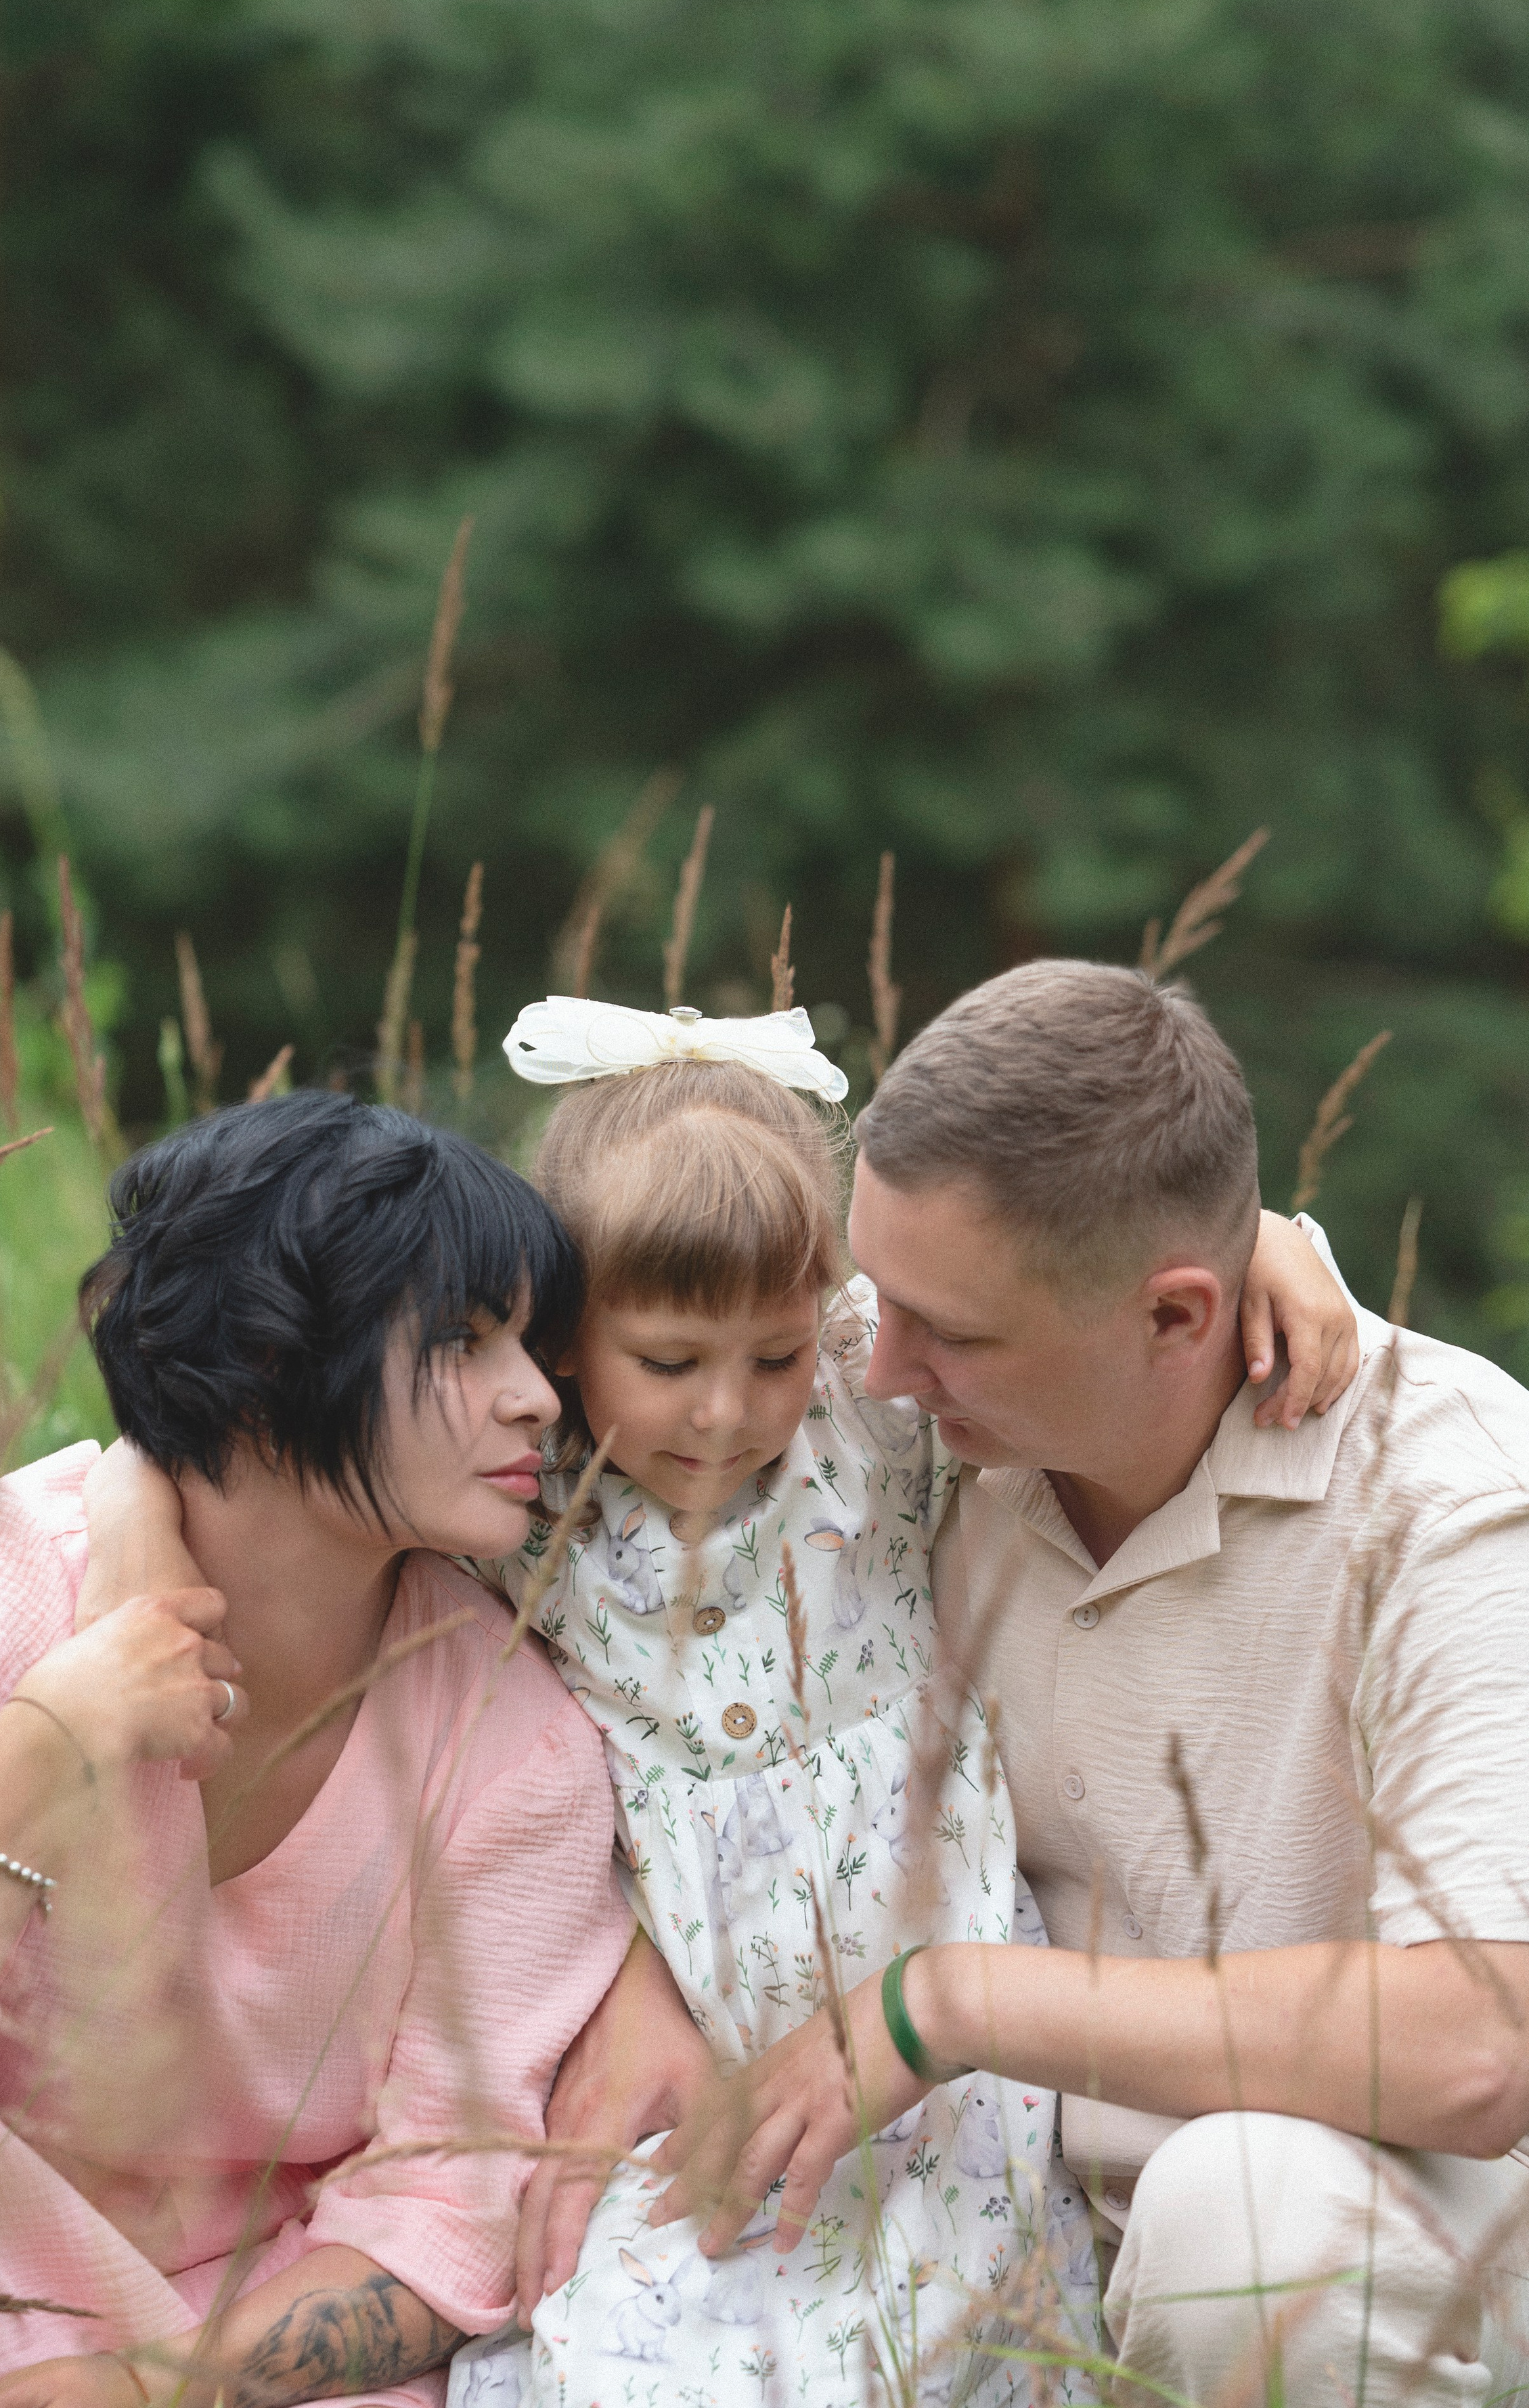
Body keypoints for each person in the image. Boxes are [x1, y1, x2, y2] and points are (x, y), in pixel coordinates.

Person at [85, 999, 1358, 2407]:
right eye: (670, 1364)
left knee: (950, 2351)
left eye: (771, 1353)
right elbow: (255, 1433)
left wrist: (1273, 1247)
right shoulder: (529, 1487)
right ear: (563, 1343)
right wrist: (131, 1513)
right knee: (636, 2343)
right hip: (681, 2015)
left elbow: (1084, 1271)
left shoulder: (867, 1417)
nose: (722, 1413)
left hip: (930, 2030)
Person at [642, 961, 1529, 2407]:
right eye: (874, 1298)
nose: (875, 1370)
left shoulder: (1450, 1506)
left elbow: (1477, 2049)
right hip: (1000, 2256)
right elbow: (498, 1375)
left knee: (1242, 2225)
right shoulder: (934, 1423)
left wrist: (957, 2001)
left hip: (1396, 2247)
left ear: (1179, 1319)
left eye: (952, 1334)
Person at [0, 1093, 632, 2408]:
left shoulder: (509, 1733)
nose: (537, 1399)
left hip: (243, 2340)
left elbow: (445, 2207)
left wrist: (148, 2387)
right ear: (262, 1365)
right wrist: (55, 1734)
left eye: (533, 1346)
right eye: (465, 1342)